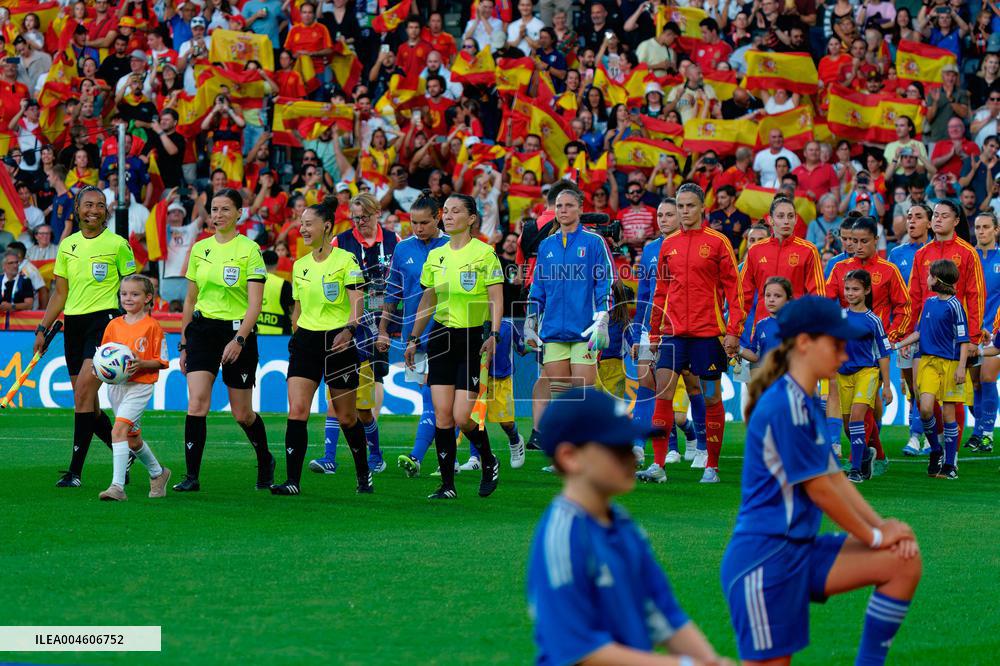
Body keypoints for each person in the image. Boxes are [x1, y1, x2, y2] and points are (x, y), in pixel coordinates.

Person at [722, 295, 922, 664]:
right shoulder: (785, 403)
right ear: (804, 343)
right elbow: (821, 489)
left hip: (797, 550)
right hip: (765, 561)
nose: (844, 355)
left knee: (901, 561)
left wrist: (882, 526)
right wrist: (875, 536)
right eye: (836, 344)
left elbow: (833, 476)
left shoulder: (803, 400)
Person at [527, 388, 730, 666]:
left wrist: (711, 661)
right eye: (617, 448)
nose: (633, 458)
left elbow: (664, 611)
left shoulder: (622, 523)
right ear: (569, 457)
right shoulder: (561, 537)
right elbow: (580, 651)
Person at [34, 186, 137, 487]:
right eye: (88, 204)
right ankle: (127, 450)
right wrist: (42, 327)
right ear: (77, 209)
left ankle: (75, 472)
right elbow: (60, 293)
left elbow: (134, 287)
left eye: (101, 205)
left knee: (81, 395)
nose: (94, 210)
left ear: (107, 211)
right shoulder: (67, 245)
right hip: (74, 325)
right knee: (89, 404)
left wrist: (131, 326)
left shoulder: (118, 245)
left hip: (104, 322)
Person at [404, 194, 505, 500]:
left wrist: (495, 333)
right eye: (445, 211)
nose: (447, 216)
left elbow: (496, 297)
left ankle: (488, 460)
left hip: (473, 337)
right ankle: (447, 485)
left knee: (463, 417)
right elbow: (429, 298)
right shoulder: (437, 255)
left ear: (471, 218)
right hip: (441, 338)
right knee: (443, 416)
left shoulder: (485, 254)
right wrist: (413, 338)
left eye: (455, 211)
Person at [174, 188, 274, 493]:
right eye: (214, 209)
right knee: (197, 402)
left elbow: (255, 304)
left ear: (239, 214)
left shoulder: (249, 250)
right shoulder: (200, 249)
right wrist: (183, 342)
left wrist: (239, 340)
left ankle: (265, 458)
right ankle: (191, 476)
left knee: (242, 414)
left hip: (236, 334)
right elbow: (190, 300)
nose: (218, 215)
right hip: (202, 332)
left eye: (225, 210)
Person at [271, 200, 373, 496]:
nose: (302, 229)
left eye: (308, 224)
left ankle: (363, 474)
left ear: (326, 227)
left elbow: (358, 301)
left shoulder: (346, 261)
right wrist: (296, 335)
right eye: (301, 223)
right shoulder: (299, 265)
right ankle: (292, 481)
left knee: (346, 417)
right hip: (306, 341)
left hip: (338, 342)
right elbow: (298, 310)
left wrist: (350, 330)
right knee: (298, 410)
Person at [648, 183, 745, 484]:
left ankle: (711, 467)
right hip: (673, 333)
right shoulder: (668, 244)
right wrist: (654, 333)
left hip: (707, 334)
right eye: (681, 206)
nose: (685, 211)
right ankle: (658, 465)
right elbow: (661, 291)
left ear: (703, 207)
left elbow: (735, 290)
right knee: (662, 393)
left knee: (712, 399)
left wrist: (733, 331)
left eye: (690, 206)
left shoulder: (718, 242)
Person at [526, 184, 614, 428]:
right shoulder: (546, 246)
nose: (563, 210)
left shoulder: (595, 242)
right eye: (559, 206)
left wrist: (602, 319)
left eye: (569, 206)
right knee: (561, 394)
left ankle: (590, 445)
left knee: (583, 391)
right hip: (553, 331)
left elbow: (604, 283)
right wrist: (530, 321)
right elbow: (538, 287)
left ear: (580, 209)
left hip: (585, 329)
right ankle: (569, 450)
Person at [376, 191, 449, 478]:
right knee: (433, 401)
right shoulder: (403, 249)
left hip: (448, 334)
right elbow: (392, 295)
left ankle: (417, 457)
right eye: (413, 223)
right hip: (413, 339)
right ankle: (471, 456)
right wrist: (383, 329)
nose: (417, 229)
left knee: (440, 401)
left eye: (423, 223)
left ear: (438, 217)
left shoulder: (452, 247)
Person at [329, 192, 400, 474]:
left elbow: (399, 284)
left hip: (381, 324)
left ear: (378, 213)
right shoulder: (341, 242)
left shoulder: (395, 242)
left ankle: (374, 452)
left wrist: (390, 326)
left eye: (365, 217)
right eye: (356, 217)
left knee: (365, 402)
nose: (360, 223)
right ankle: (328, 456)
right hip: (348, 325)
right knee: (335, 394)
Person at [96, 275, 171, 501]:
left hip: (140, 386)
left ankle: (117, 487)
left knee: (117, 431)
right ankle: (159, 473)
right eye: (124, 294)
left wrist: (141, 363)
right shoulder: (113, 325)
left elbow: (161, 361)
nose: (128, 298)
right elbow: (103, 355)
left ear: (148, 298)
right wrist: (99, 370)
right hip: (117, 388)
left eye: (135, 294)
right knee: (132, 439)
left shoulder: (152, 327)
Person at [895, 260, 970, 480]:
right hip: (928, 362)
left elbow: (963, 340)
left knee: (948, 414)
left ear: (937, 279)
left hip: (951, 363)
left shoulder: (955, 306)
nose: (926, 279)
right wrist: (898, 344)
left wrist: (961, 367)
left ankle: (949, 464)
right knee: (926, 408)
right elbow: (919, 333)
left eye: (929, 276)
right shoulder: (928, 303)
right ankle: (936, 450)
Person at [837, 270, 894, 483]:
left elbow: (884, 354)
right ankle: (867, 455)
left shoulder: (874, 320)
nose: (850, 293)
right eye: (847, 289)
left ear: (867, 290)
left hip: (866, 373)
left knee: (856, 419)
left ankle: (855, 470)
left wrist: (886, 385)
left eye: (855, 289)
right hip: (843, 375)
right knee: (847, 427)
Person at [888, 204, 932, 456]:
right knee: (911, 384)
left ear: (929, 222)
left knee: (924, 383)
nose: (912, 221)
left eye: (918, 217)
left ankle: (917, 435)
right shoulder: (897, 254)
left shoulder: (935, 252)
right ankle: (922, 432)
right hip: (905, 328)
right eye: (909, 217)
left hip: (933, 328)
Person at [741, 196, 824, 325]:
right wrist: (734, 331)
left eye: (790, 216)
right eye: (780, 216)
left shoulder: (808, 250)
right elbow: (743, 294)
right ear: (771, 220)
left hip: (796, 325)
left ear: (796, 219)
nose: (786, 221)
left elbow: (817, 294)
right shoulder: (755, 250)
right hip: (762, 325)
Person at [969, 211, 1000, 453]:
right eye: (978, 227)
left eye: (986, 227)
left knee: (988, 378)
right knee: (976, 384)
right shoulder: (970, 258)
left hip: (996, 330)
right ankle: (978, 430)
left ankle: (987, 434)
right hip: (973, 332)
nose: (981, 231)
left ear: (996, 230)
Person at [737, 276, 791, 367]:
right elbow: (756, 357)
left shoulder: (796, 324)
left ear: (788, 300)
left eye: (777, 296)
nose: (771, 299)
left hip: (789, 378)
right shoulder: (760, 325)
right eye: (768, 295)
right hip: (767, 378)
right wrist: (738, 349)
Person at [256, 250, 293, 335]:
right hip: (280, 332)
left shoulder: (251, 281)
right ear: (277, 263)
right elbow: (292, 308)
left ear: (261, 262)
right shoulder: (284, 284)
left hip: (255, 330)